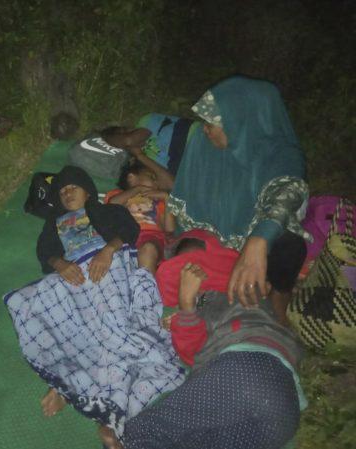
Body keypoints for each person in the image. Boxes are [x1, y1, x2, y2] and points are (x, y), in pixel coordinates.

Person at [6, 166, 185, 448]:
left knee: (114, 331)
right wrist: (61, 264)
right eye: (62, 192)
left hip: (109, 267)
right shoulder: (55, 223)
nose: (67, 193)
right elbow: (45, 252)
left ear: (87, 191)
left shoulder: (106, 212)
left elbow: (129, 229)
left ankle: (96, 406)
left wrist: (107, 250)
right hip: (75, 277)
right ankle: (68, 384)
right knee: (26, 302)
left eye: (72, 188)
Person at [166, 75, 309, 324]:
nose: (205, 129)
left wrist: (257, 242)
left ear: (240, 121)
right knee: (188, 254)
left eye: (213, 122)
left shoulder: (280, 154)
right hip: (212, 239)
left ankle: (278, 302)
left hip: (257, 236)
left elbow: (284, 195)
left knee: (290, 243)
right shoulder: (203, 142)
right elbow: (187, 217)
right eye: (205, 122)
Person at [123, 261, 307, 449]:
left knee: (140, 433)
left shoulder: (227, 290)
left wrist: (187, 306)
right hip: (285, 409)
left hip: (248, 370)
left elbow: (191, 353)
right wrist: (186, 309)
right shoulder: (277, 309)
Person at [105, 160, 175, 265]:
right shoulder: (117, 194)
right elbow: (113, 204)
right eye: (152, 177)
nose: (156, 183)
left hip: (152, 236)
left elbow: (169, 229)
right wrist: (138, 189)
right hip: (124, 237)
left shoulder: (157, 201)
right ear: (131, 178)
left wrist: (166, 198)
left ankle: (147, 281)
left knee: (148, 249)